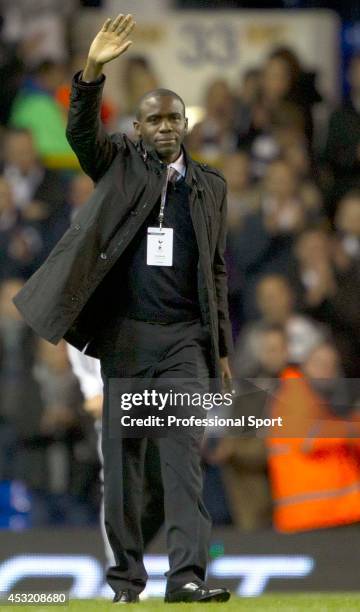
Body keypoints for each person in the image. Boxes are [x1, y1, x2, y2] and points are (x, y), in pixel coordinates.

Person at [13, 13, 233, 604]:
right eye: (154, 118)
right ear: (137, 127)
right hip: (128, 340)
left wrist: (222, 350)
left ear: (186, 123)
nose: (165, 126)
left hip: (186, 339)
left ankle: (186, 577)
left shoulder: (210, 186)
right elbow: (82, 136)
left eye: (173, 117)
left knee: (184, 462)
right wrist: (90, 73)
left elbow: (215, 270)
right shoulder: (119, 164)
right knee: (125, 465)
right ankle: (125, 582)